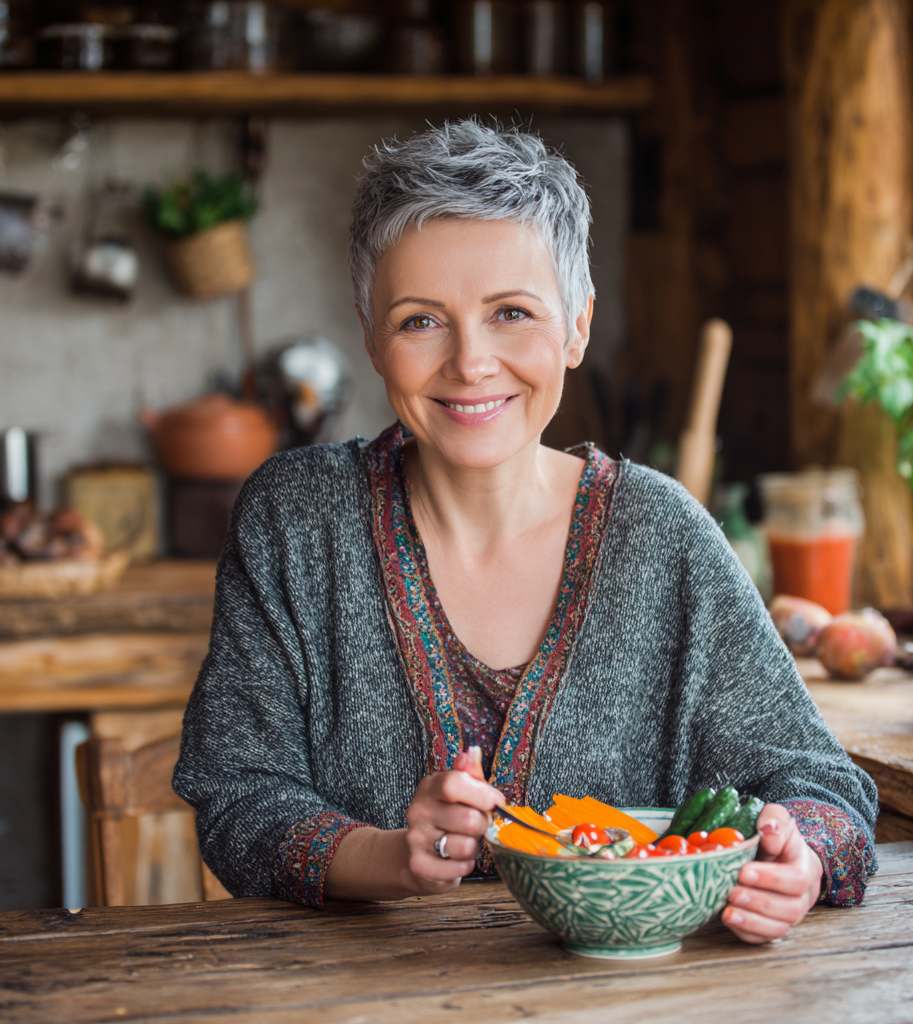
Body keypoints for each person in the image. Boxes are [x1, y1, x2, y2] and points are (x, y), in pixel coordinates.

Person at [174, 120, 877, 945]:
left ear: (576, 326)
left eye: (511, 312)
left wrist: (800, 859)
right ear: (370, 335)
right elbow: (236, 797)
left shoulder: (663, 535)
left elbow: (823, 789)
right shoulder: (295, 522)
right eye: (419, 321)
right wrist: (393, 857)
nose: (471, 362)